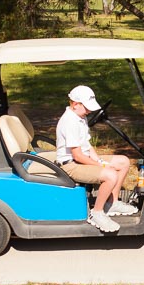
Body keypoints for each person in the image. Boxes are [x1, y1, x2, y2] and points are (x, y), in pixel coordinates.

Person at [56, 85, 137, 232]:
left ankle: (111, 203)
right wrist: (102, 167)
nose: (89, 111)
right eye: (87, 108)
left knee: (123, 161)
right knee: (110, 175)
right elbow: (77, 155)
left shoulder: (80, 117)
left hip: (82, 159)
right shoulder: (70, 121)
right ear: (75, 104)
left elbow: (87, 145)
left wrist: (99, 161)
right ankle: (97, 213)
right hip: (70, 165)